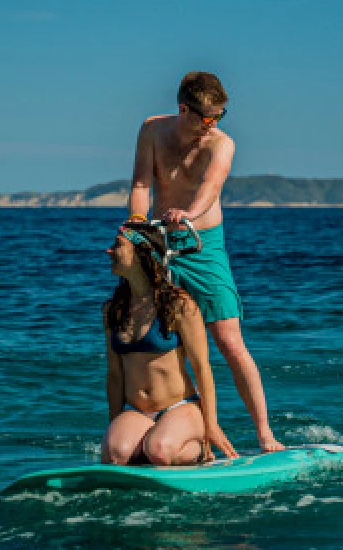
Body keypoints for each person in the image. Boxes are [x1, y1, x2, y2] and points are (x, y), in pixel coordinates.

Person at [128, 71, 285, 453]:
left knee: (229, 341)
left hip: (203, 246)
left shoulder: (222, 144)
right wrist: (136, 225)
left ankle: (265, 434)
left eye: (219, 116)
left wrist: (188, 214)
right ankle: (188, 431)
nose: (212, 125)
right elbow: (141, 186)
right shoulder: (152, 130)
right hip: (158, 240)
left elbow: (210, 188)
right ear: (184, 109)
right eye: (206, 117)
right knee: (162, 342)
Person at [102, 222, 238, 465]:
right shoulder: (113, 309)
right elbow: (115, 375)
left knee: (159, 451)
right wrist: (115, 425)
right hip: (137, 410)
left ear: (141, 252)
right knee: (115, 454)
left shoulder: (180, 305)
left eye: (117, 245)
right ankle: (143, 444)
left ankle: (196, 446)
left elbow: (202, 368)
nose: (109, 251)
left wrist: (212, 427)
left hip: (179, 406)